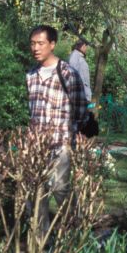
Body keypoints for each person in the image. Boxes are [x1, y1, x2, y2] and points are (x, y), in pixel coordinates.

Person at [26, 25, 87, 236]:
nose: (36, 48)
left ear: (52, 44)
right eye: (33, 43)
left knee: (61, 189)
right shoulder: (31, 75)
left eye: (40, 43)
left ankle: (75, 234)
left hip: (60, 143)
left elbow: (81, 111)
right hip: (36, 145)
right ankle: (41, 241)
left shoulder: (68, 74)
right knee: (36, 193)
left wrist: (73, 138)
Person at [68, 38, 93, 105]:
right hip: (78, 96)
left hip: (83, 95)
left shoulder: (79, 56)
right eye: (86, 47)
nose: (86, 49)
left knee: (90, 110)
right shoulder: (75, 56)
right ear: (82, 46)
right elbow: (72, 74)